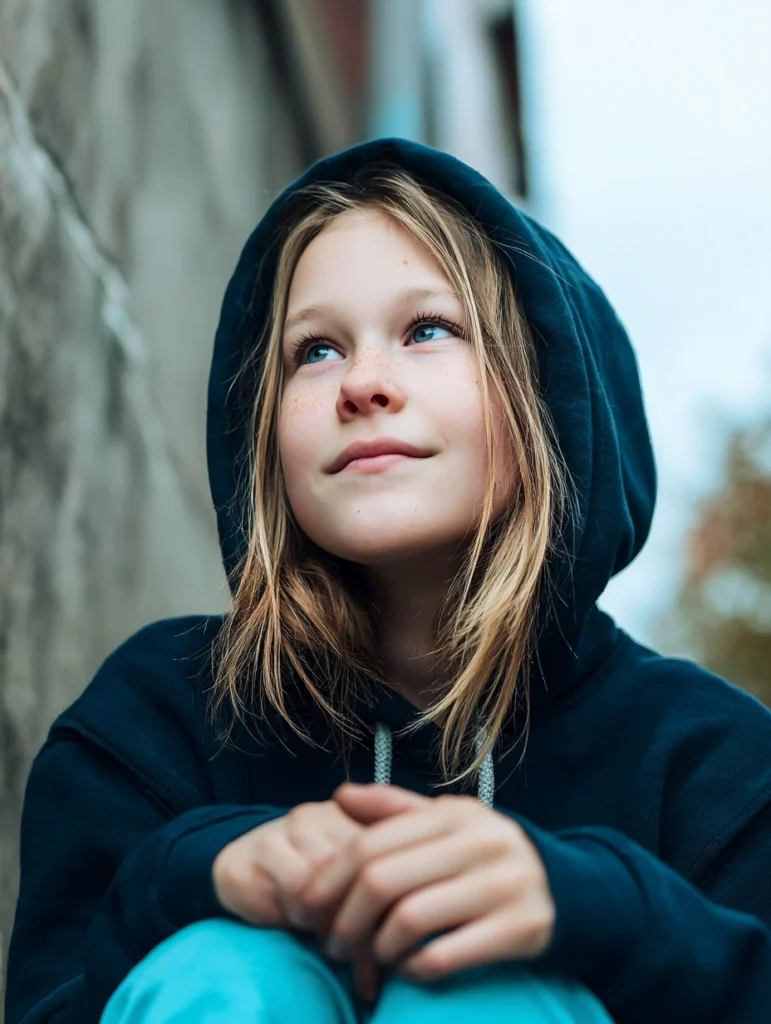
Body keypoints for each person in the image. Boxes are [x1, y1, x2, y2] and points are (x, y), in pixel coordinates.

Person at [5, 139, 771, 1024]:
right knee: (225, 969)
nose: (363, 382)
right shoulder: (152, 720)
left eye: (428, 330)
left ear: (552, 397)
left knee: (484, 997)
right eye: (315, 351)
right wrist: (201, 872)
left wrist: (596, 907)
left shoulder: (712, 767)